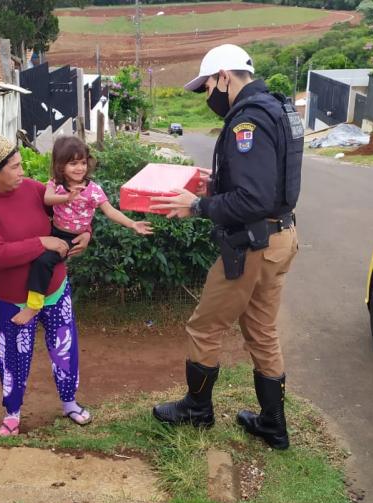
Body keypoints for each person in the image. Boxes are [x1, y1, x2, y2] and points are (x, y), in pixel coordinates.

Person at [149, 44, 304, 450]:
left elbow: (252, 200)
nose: (208, 97)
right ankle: (273, 424)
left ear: (224, 76)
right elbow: (268, 188)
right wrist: (217, 184)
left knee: (204, 326)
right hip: (280, 235)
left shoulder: (247, 122)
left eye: (207, 87)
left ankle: (196, 410)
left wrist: (198, 205)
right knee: (262, 331)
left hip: (252, 244)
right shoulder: (279, 108)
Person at [0, 130, 93, 436]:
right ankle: (13, 412)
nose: (23, 171)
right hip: (14, 299)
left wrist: (86, 235)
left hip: (55, 289)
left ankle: (70, 402)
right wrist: (42, 242)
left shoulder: (34, 190)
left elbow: (71, 216)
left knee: (64, 348)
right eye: (16, 167)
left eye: (22, 164)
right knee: (12, 357)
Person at [11, 136, 153, 325]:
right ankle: (21, 296)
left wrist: (132, 224)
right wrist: (67, 198)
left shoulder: (93, 190)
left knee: (43, 261)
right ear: (61, 166)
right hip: (53, 232)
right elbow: (47, 199)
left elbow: (110, 211)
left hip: (72, 239)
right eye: (73, 163)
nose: (80, 168)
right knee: (29, 253)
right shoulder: (55, 184)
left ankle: (34, 305)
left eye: (83, 162)